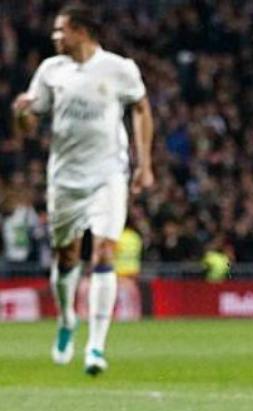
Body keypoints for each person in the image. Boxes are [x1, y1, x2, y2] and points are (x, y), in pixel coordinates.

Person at [12, 3, 154, 375]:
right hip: (65, 178)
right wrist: (21, 115)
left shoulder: (119, 69)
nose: (55, 37)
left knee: (105, 252)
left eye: (61, 30)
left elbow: (141, 108)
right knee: (66, 257)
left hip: (109, 174)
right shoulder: (51, 70)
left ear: (82, 31)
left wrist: (145, 164)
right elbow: (29, 127)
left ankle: (96, 347)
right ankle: (66, 320)